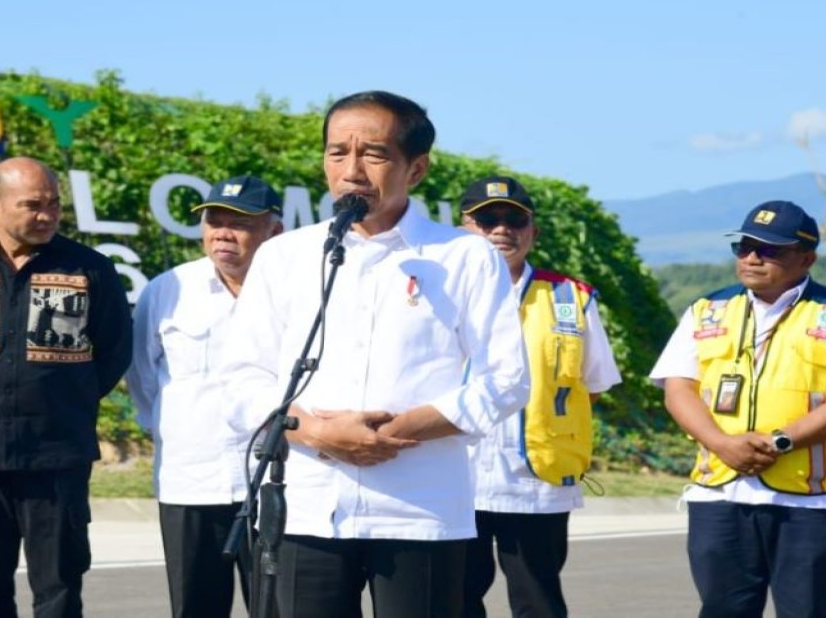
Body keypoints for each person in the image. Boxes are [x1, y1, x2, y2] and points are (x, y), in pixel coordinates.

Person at [219, 91, 531, 618]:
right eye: (338, 152)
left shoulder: (463, 256)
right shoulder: (284, 256)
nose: (353, 170)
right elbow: (240, 381)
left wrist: (395, 432)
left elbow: (505, 380)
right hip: (309, 506)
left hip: (421, 509)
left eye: (375, 154)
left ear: (417, 168)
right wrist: (316, 431)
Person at [650, 200, 826, 618]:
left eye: (769, 249)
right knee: (722, 610)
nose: (752, 257)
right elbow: (678, 388)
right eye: (744, 246)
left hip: (807, 501)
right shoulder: (706, 310)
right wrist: (721, 443)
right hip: (720, 493)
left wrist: (780, 441)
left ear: (806, 258)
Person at [0, 156, 133, 618]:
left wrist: (63, 398)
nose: (47, 215)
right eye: (33, 205)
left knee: (59, 583)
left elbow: (113, 352)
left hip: (57, 454)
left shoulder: (90, 270)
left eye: (54, 204)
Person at [458, 176, 622, 618]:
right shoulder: (433, 291)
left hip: (536, 482)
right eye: (487, 218)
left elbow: (595, 382)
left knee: (538, 600)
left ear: (534, 232)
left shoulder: (570, 299)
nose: (501, 230)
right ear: (464, 226)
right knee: (453, 600)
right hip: (455, 477)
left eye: (515, 220)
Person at [127, 175, 284, 618]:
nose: (222, 233)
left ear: (274, 230)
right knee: (195, 607)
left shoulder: (297, 292)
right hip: (189, 480)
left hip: (272, 480)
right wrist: (175, 429)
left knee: (277, 608)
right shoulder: (168, 290)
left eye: (239, 222)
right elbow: (142, 377)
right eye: (214, 220)